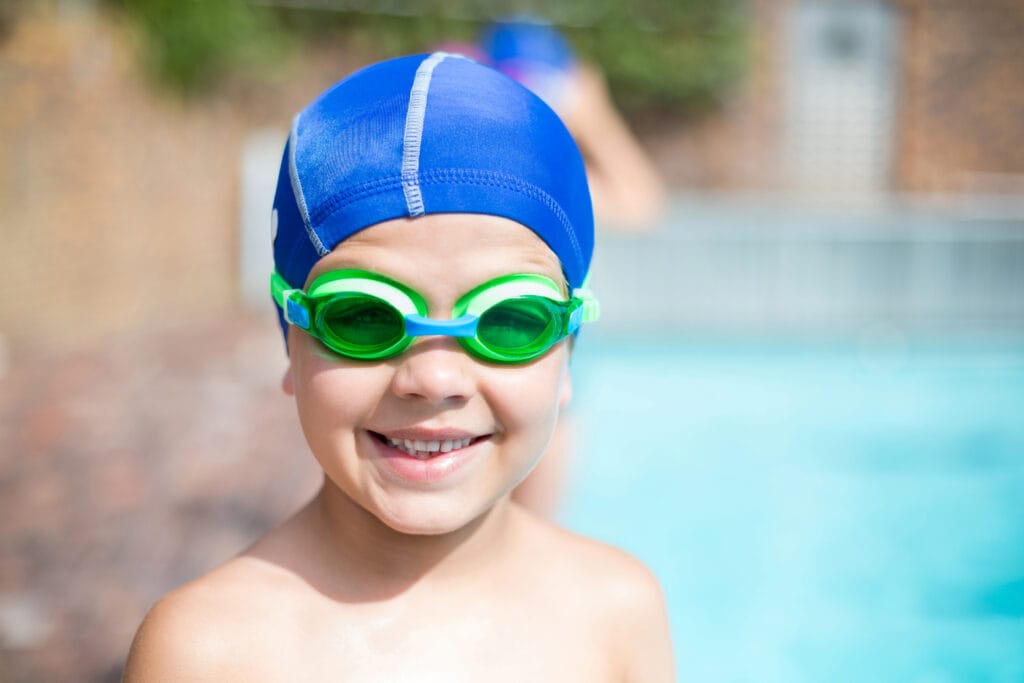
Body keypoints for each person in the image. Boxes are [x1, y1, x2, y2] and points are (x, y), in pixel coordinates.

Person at [122, 52, 674, 681]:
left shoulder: (618, 611)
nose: (434, 380)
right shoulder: (208, 651)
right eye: (362, 318)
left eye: (509, 321)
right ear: (289, 340)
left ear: (568, 351)